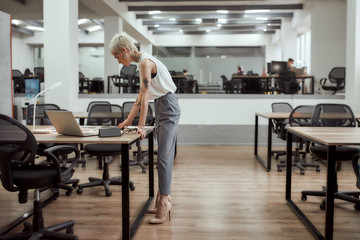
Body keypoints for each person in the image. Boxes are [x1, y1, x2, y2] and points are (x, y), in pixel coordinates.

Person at [109, 33, 181, 224]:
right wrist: (127, 121)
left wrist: (141, 126)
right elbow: (141, 96)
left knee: (164, 157)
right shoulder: (144, 61)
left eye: (117, 56)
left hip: (167, 106)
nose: (118, 60)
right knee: (163, 156)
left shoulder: (145, 63)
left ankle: (165, 202)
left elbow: (147, 93)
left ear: (124, 51)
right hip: (163, 106)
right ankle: (161, 198)